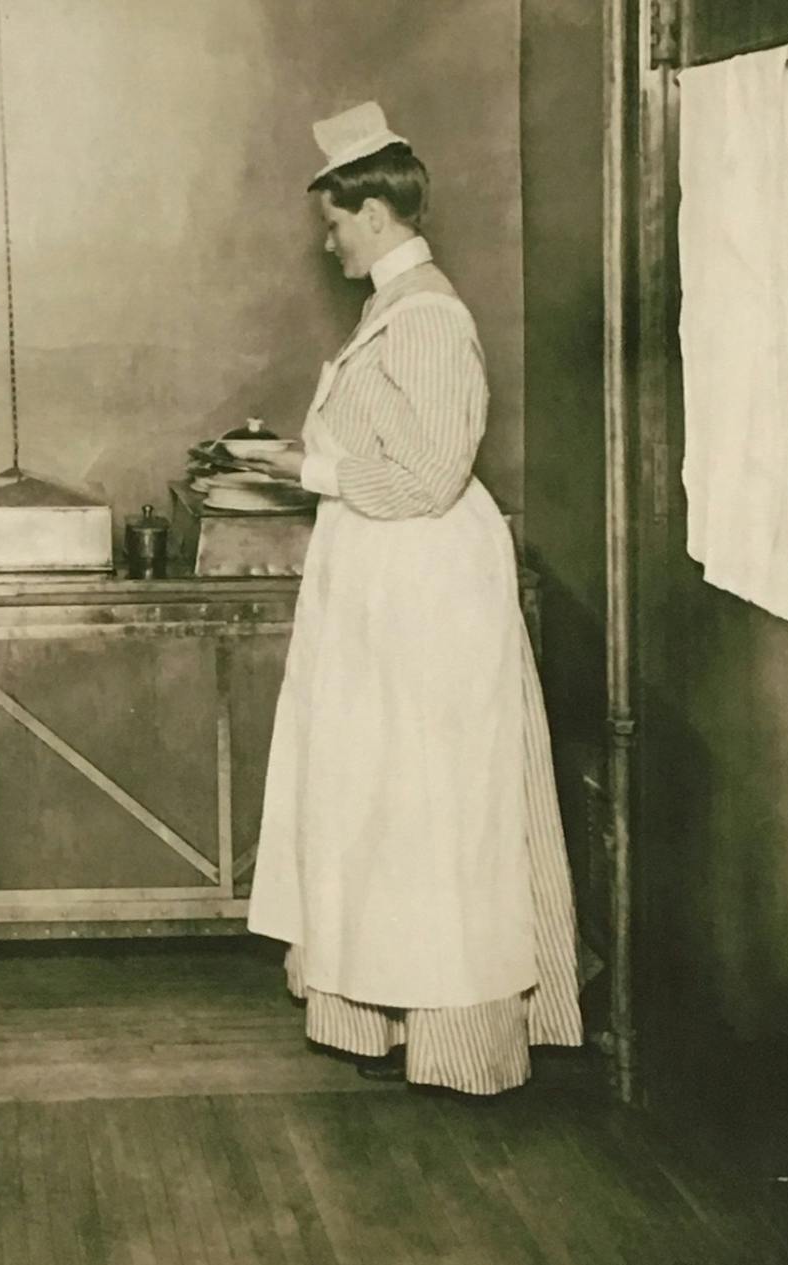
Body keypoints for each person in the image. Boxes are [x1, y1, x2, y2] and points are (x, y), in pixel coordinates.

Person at [238, 102, 583, 1096]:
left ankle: (462, 1038)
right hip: (387, 585)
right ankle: (378, 1011)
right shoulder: (393, 310)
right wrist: (299, 461)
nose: (329, 239)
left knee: (437, 809)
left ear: (378, 213)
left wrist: (308, 471)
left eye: (337, 222)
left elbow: (431, 477)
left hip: (427, 590)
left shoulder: (432, 318)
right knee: (383, 804)